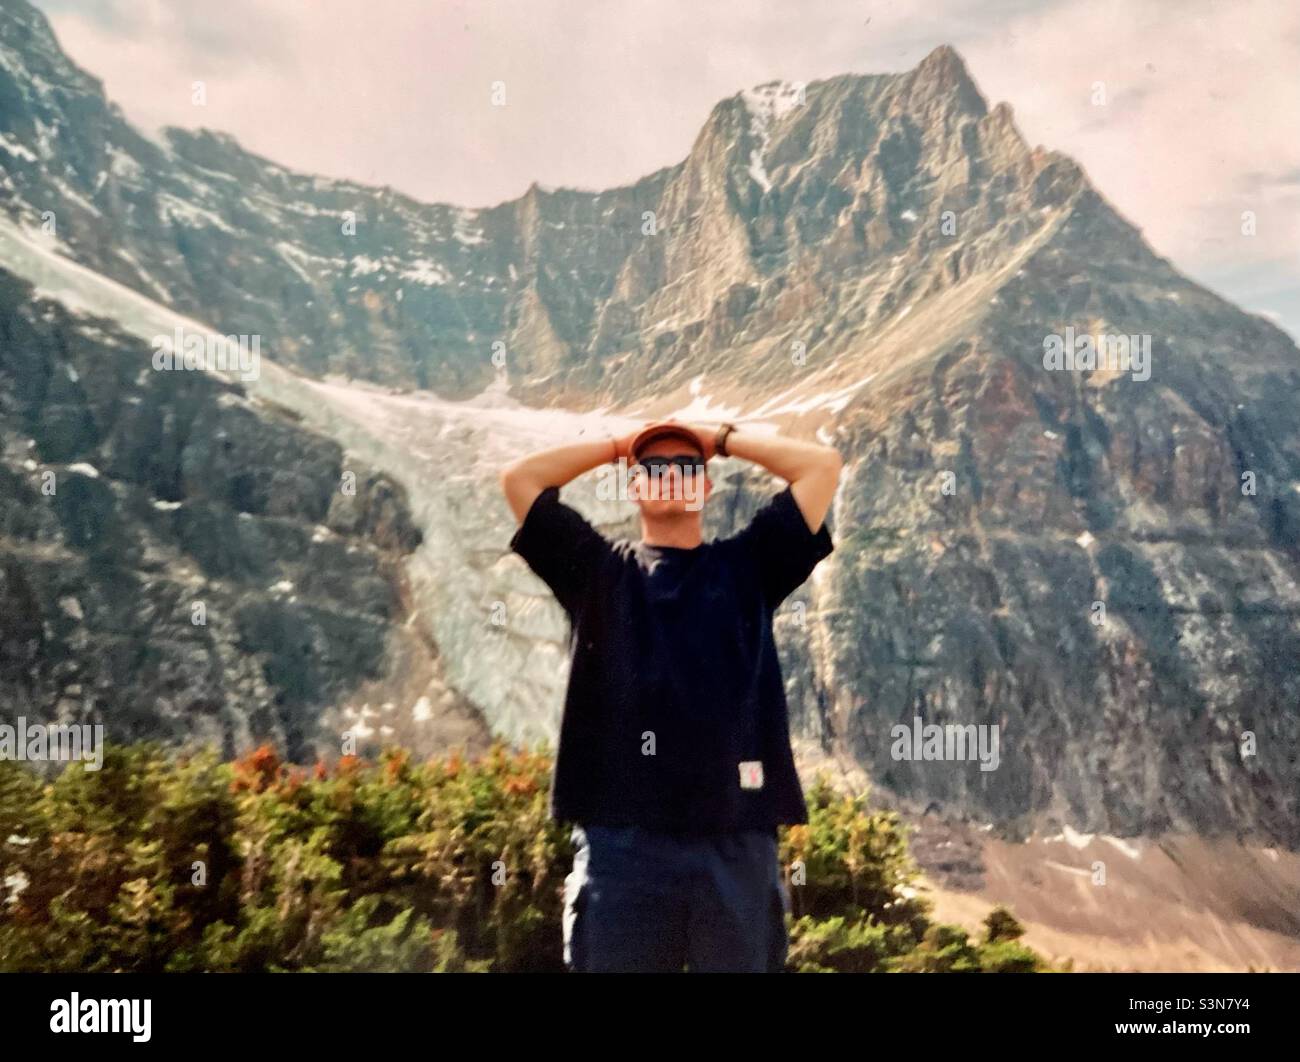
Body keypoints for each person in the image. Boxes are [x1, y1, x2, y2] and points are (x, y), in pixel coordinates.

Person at [498, 417, 842, 971]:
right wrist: (617, 447)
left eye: (687, 468)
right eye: (653, 469)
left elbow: (821, 467)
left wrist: (723, 440)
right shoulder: (596, 570)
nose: (669, 477)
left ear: (706, 486)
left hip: (736, 841)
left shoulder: (749, 566)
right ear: (634, 486)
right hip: (621, 843)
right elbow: (520, 479)